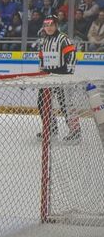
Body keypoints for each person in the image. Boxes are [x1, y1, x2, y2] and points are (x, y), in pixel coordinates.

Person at [35, 14, 79, 142]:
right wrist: (41, 72)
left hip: (62, 76)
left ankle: (75, 131)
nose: (48, 28)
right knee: (42, 102)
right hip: (48, 77)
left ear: (56, 25)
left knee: (65, 104)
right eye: (46, 25)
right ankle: (50, 129)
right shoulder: (44, 40)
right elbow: (41, 58)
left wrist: (68, 74)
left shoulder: (63, 39)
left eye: (51, 25)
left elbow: (72, 56)